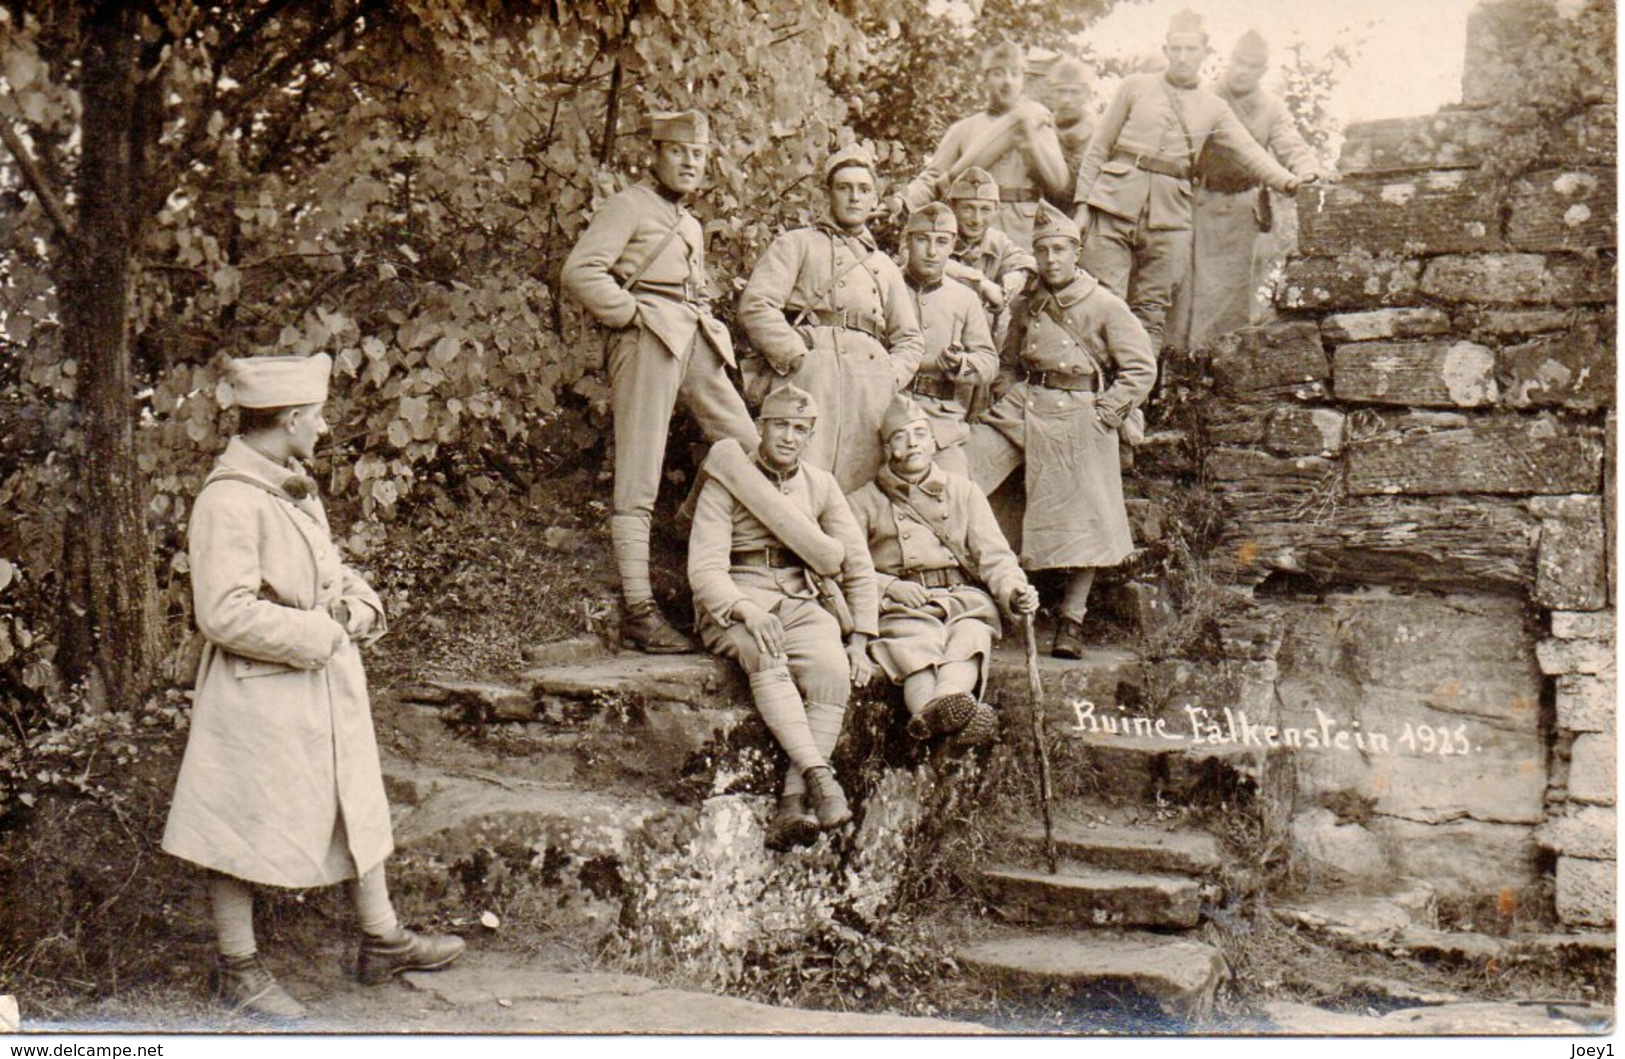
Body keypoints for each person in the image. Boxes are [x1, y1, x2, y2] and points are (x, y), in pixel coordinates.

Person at [163, 354, 463, 1021]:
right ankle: (236, 966)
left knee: (354, 795)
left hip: (319, 682)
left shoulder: (288, 482)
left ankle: (381, 938)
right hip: (259, 689)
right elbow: (224, 612)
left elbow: (327, 573)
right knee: (237, 819)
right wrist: (321, 633)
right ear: (293, 418)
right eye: (318, 415)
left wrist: (358, 602)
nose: (324, 428)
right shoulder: (229, 499)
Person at [562, 109, 759, 653]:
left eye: (699, 155)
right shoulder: (629, 205)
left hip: (692, 334)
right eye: (680, 152)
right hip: (646, 336)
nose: (691, 162)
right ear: (656, 153)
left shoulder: (691, 222)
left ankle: (685, 529)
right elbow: (581, 271)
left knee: (748, 449)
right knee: (639, 473)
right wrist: (629, 315)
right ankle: (639, 611)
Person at [687, 385, 879, 851]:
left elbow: (857, 563)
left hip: (799, 597)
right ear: (760, 426)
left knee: (832, 673)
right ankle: (820, 779)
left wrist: (861, 639)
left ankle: (792, 805)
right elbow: (705, 567)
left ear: (810, 435)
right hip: (738, 596)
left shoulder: (821, 485)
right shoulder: (728, 479)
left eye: (799, 429)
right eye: (779, 425)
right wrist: (745, 608)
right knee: (764, 652)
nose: (788, 437)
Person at [966, 203, 1156, 658]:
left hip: (1080, 411)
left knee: (1087, 510)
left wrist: (1104, 412)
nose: (1051, 259)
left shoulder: (1105, 305)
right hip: (1024, 406)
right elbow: (1008, 363)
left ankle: (1072, 618)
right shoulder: (1029, 304)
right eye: (1043, 250)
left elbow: (1140, 368)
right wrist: (1011, 392)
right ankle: (984, 596)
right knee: (965, 474)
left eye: (1060, 250)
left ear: (1077, 252)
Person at [1072, 9, 1312, 352]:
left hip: (1168, 217)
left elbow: (1251, 153)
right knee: (1100, 301)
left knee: (1152, 312)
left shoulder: (1214, 106)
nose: (1183, 58)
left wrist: (1293, 183)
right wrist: (1082, 207)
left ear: (1206, 53)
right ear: (1166, 49)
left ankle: (1140, 397)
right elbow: (1098, 148)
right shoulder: (1134, 87)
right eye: (1176, 49)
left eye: (1191, 50)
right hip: (1113, 204)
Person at [847, 397, 1039, 744]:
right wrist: (889, 586)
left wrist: (1015, 590)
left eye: (921, 434)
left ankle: (940, 710)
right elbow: (846, 567)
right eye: (902, 437)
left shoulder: (963, 492)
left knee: (969, 637)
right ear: (888, 447)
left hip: (960, 599)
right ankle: (934, 713)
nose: (913, 443)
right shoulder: (862, 502)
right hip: (904, 605)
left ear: (934, 441)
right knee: (916, 646)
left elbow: (995, 557)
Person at [737, 145, 924, 492]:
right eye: (844, 187)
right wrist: (795, 355)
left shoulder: (883, 266)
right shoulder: (797, 244)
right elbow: (757, 304)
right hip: (811, 375)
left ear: (874, 200)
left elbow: (909, 338)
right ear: (828, 194)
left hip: (869, 384)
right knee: (797, 473)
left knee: (859, 481)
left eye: (864, 189)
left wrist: (890, 375)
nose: (854, 197)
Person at [1169, 30, 1335, 351]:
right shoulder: (1205, 96)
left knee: (1232, 290)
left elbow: (1291, 145)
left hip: (1243, 209)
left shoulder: (1270, 107)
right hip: (1199, 203)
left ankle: (1219, 362)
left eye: (1253, 66)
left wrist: (1308, 171)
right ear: (1229, 61)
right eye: (1239, 62)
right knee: (1187, 288)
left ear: (1263, 71)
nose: (1243, 71)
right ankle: (1180, 366)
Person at [901, 41, 1071, 251]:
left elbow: (1059, 183)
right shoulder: (963, 129)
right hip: (973, 231)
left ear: (1023, 81)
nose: (1008, 82)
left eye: (1015, 74)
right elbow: (932, 179)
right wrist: (902, 201)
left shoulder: (1038, 124)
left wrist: (1030, 140)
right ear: (985, 79)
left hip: (1025, 231)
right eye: (999, 73)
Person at [896, 203, 998, 478]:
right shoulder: (885, 286)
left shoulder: (964, 298)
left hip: (941, 425)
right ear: (908, 240)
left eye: (941, 241)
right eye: (922, 240)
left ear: (952, 244)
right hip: (886, 414)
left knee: (955, 496)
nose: (932, 251)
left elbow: (989, 363)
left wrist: (960, 364)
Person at [941, 167, 1037, 326]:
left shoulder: (997, 241)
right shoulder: (936, 235)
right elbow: (920, 258)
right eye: (967, 208)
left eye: (985, 210)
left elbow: (1027, 263)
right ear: (951, 207)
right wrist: (982, 284)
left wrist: (1016, 279)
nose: (976, 219)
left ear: (997, 210)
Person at [1047, 58, 1096, 208]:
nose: (1066, 99)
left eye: (1075, 92)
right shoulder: (1043, 129)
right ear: (1051, 93)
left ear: (1088, 94)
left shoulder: (1101, 133)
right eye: (1060, 91)